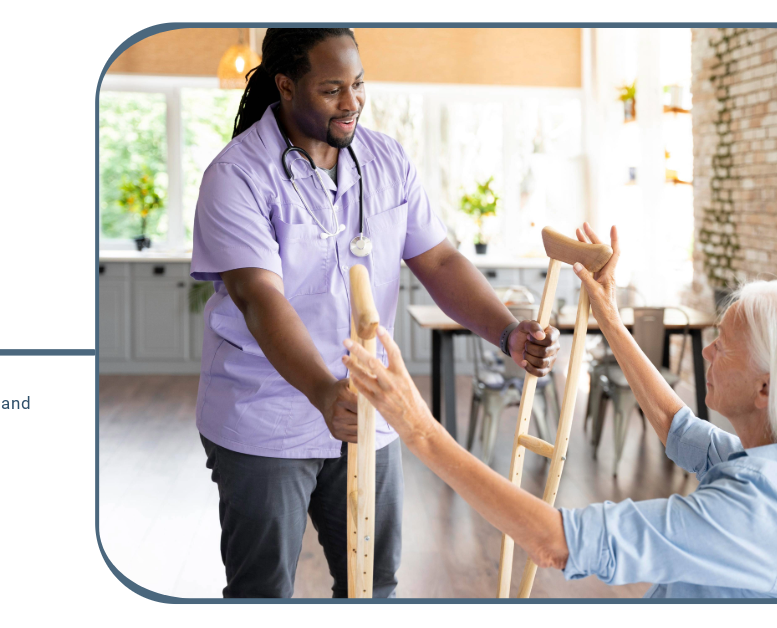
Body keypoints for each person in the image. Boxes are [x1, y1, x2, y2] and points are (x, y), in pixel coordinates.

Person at [189, 27, 561, 598]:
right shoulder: (236, 175)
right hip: (265, 415)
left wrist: (508, 332)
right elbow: (259, 299)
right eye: (333, 88)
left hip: (369, 411)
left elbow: (437, 260)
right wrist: (321, 391)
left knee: (374, 586)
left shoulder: (387, 159)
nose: (353, 102)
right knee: (261, 591)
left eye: (359, 84)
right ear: (285, 86)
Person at [343, 223, 777, 598]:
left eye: (723, 347)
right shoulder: (761, 464)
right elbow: (677, 426)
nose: (706, 351)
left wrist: (419, 429)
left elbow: (556, 542)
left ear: (765, 387)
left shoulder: (754, 510)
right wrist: (608, 315)